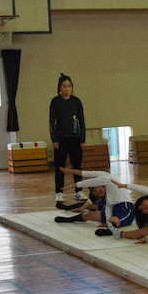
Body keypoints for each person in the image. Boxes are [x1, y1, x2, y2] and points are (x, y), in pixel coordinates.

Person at [53, 169, 135, 235]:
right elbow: (86, 173)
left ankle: (110, 230)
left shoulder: (107, 179)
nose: (98, 192)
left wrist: (71, 186)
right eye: (95, 191)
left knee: (115, 220)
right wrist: (68, 171)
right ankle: (68, 219)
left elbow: (88, 181)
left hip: (124, 206)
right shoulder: (104, 188)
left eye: (98, 189)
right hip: (110, 207)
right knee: (89, 214)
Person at [49, 73, 86, 209]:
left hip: (75, 138)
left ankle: (79, 191)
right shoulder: (55, 102)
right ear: (60, 88)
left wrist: (82, 138)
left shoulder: (76, 101)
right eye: (64, 86)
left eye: (69, 86)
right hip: (61, 139)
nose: (67, 88)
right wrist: (54, 138)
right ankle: (59, 192)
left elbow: (82, 121)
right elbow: (52, 122)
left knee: (77, 166)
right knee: (60, 167)